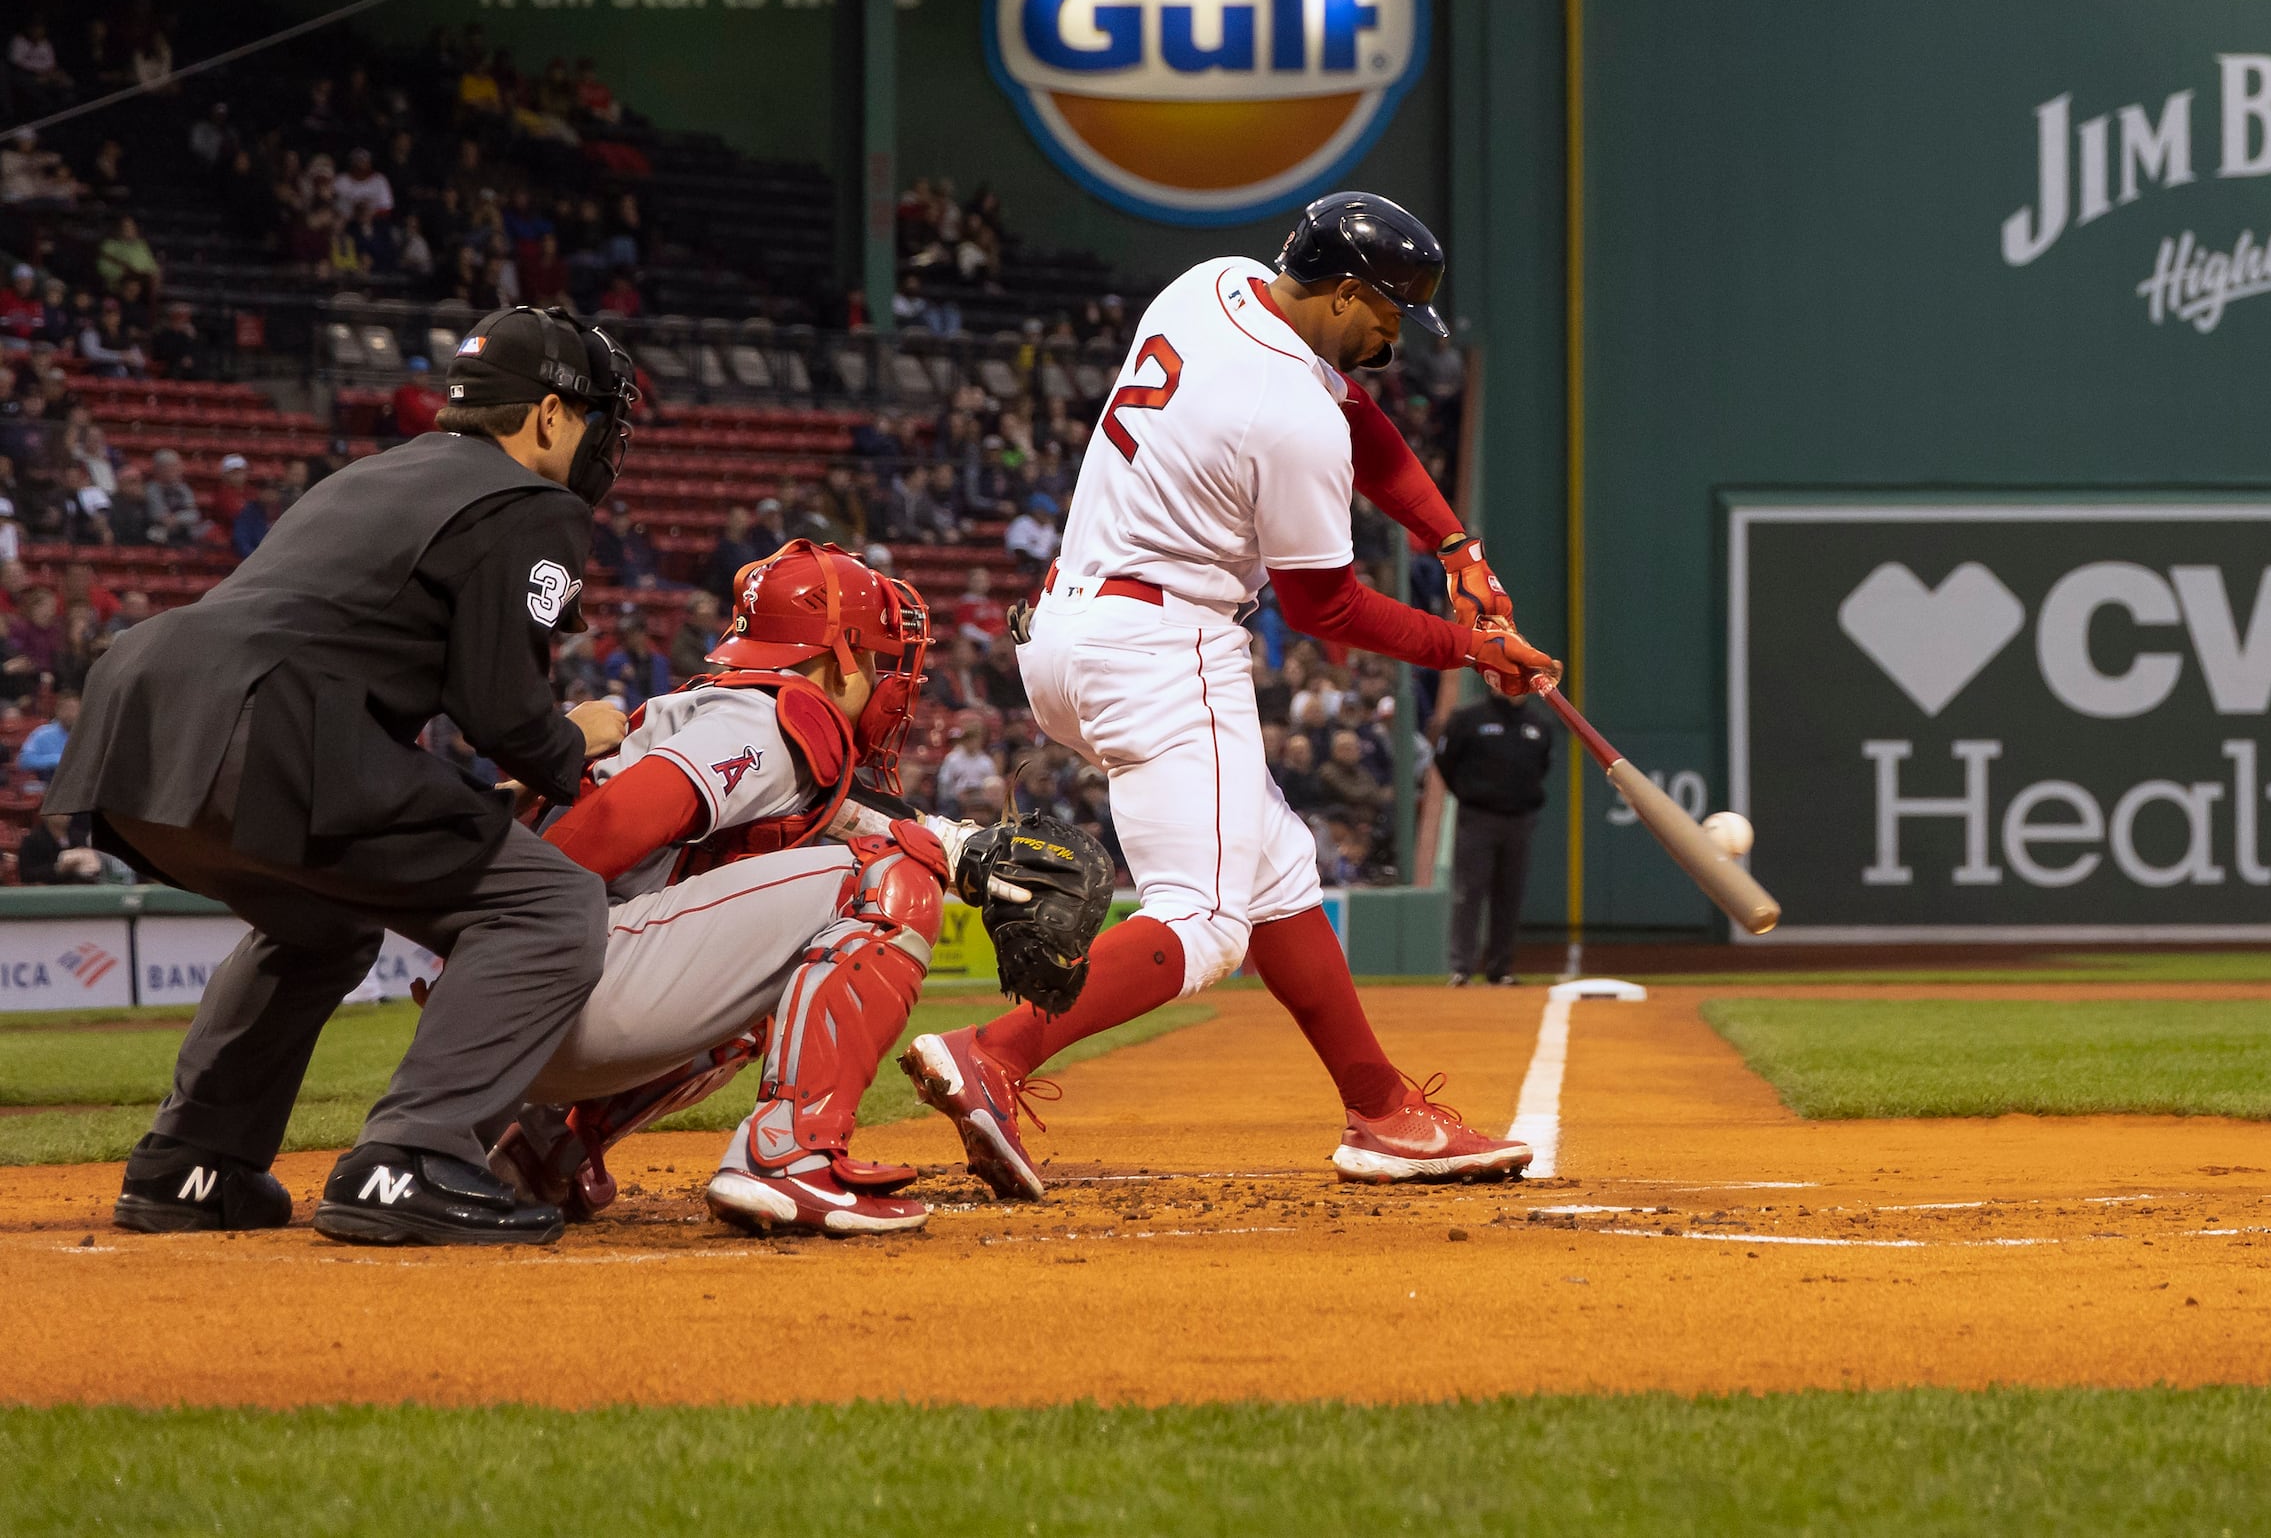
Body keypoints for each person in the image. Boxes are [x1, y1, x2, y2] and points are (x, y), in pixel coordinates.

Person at [900, 191, 1558, 1198]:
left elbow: (1359, 414)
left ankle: (1383, 1110)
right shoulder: (1291, 415)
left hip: (1067, 629)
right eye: (1389, 311)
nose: (1393, 337)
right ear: (1346, 294)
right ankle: (993, 1052)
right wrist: (1472, 648)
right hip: (1163, 647)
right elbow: (1327, 609)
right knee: (1207, 922)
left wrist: (1456, 547)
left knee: (1277, 868)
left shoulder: (1213, 282)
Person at [49, 304, 637, 1246]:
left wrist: (469, 796)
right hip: (266, 728)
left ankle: (193, 1164)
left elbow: (346, 655)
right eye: (595, 417)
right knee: (551, 904)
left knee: (322, 920)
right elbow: (501, 712)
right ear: (548, 415)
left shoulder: (375, 472)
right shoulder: (531, 500)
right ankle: (414, 1158)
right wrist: (572, 741)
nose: (601, 441)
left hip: (141, 717)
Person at [490, 540, 977, 1237]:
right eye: (872, 658)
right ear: (834, 658)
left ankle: (546, 1149)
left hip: (521, 1010)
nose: (880, 679)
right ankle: (789, 1156)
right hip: (549, 981)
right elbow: (619, 819)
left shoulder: (729, 707)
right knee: (890, 874)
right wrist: (508, 935)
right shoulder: (767, 719)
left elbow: (836, 816)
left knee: (789, 979)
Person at [1433, 691, 1554, 986]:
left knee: (1510, 894)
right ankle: (1461, 968)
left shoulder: (1538, 724)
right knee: (1468, 893)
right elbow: (1444, 759)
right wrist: (1468, 791)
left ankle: (1500, 968)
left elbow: (1542, 766)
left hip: (1520, 819)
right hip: (1478, 817)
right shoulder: (1468, 718)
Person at [15, 688, 77, 776]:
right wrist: (57, 759)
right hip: (49, 779)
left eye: (73, 709)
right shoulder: (42, 733)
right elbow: (24, 760)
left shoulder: (88, 736)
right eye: (66, 708)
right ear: (57, 711)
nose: (69, 713)